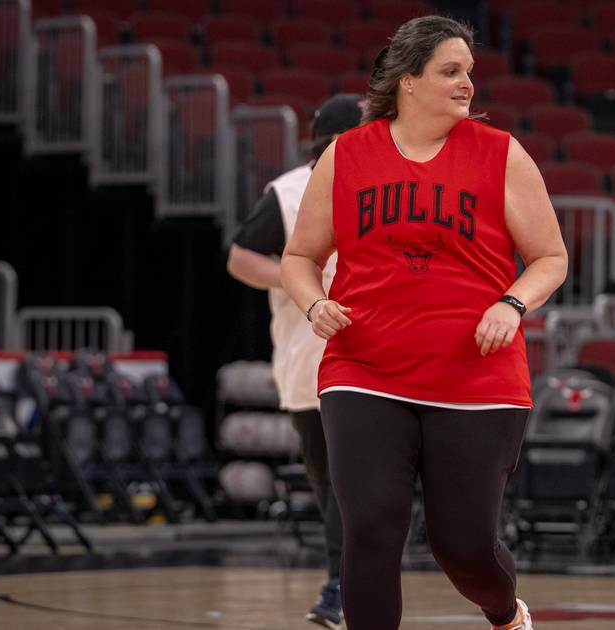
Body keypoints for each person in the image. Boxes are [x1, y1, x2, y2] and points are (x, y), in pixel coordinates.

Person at [281, 15, 568, 630]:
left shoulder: (501, 154)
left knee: (463, 546)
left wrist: (511, 303)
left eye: (469, 72)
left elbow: (550, 258)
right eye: (451, 71)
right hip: (363, 368)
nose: (467, 84)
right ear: (408, 80)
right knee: (371, 526)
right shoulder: (346, 154)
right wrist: (314, 303)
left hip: (476, 377)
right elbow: (299, 257)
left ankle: (505, 613)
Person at [226, 93, 365, 630]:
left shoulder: (384, 185)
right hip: (312, 353)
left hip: (374, 354)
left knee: (354, 482)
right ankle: (344, 582)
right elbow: (240, 257)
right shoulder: (289, 193)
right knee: (334, 484)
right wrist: (296, 279)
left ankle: (345, 584)